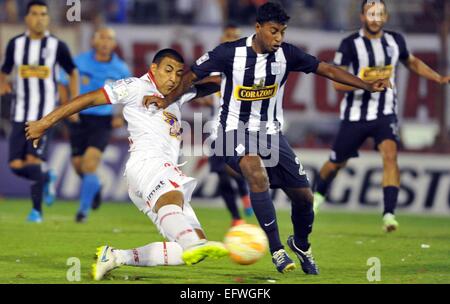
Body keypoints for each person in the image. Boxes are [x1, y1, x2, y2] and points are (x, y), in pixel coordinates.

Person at [142, 2, 390, 275]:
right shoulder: (229, 53)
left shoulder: (288, 55)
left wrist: (366, 85)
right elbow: (191, 76)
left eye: (282, 31)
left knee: (304, 199)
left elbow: (327, 69)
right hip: (230, 131)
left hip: (271, 134)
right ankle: (276, 250)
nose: (279, 38)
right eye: (274, 31)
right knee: (254, 170)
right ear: (258, 28)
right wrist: (166, 100)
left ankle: (301, 244)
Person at [25, 48, 228, 280]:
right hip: (148, 163)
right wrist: (45, 122)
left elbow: (212, 83)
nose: (173, 78)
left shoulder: (176, 95)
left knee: (195, 246)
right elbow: (90, 98)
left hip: (153, 175)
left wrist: (234, 75)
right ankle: (191, 243)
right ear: (153, 69)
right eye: (168, 70)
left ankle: (115, 257)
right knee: (191, 241)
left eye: (178, 73)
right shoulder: (135, 87)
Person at [313, 0, 450, 232]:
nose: (375, 18)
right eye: (370, 13)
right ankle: (317, 196)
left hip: (385, 114)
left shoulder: (395, 41)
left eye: (379, 14)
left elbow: (412, 62)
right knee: (335, 163)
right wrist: (366, 84)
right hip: (355, 116)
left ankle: (389, 214)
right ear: (362, 17)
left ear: (385, 18)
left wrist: (436, 78)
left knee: (390, 155)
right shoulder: (349, 44)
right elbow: (337, 83)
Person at [0, 0, 79, 222]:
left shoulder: (57, 46)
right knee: (15, 166)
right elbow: (4, 70)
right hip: (19, 114)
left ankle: (36, 212)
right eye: (35, 14)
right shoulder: (15, 44)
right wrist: (3, 84)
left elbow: (72, 72)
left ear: (48, 18)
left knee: (33, 161)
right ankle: (46, 177)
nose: (39, 18)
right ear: (27, 18)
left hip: (45, 115)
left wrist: (72, 103)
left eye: (43, 14)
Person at [59, 27, 131, 223]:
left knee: (89, 164)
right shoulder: (79, 62)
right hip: (79, 118)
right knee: (78, 166)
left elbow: (128, 94)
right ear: (94, 41)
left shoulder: (121, 68)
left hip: (102, 121)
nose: (106, 42)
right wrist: (68, 108)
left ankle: (82, 212)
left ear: (114, 44)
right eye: (102, 37)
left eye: (110, 38)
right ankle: (95, 188)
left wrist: (119, 114)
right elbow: (61, 81)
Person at [200, 23, 253, 227]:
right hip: (215, 129)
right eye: (228, 35)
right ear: (222, 38)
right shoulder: (214, 64)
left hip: (237, 128)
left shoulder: (248, 64)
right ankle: (236, 218)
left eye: (235, 35)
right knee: (221, 173)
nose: (232, 38)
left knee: (232, 167)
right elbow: (205, 92)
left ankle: (244, 191)